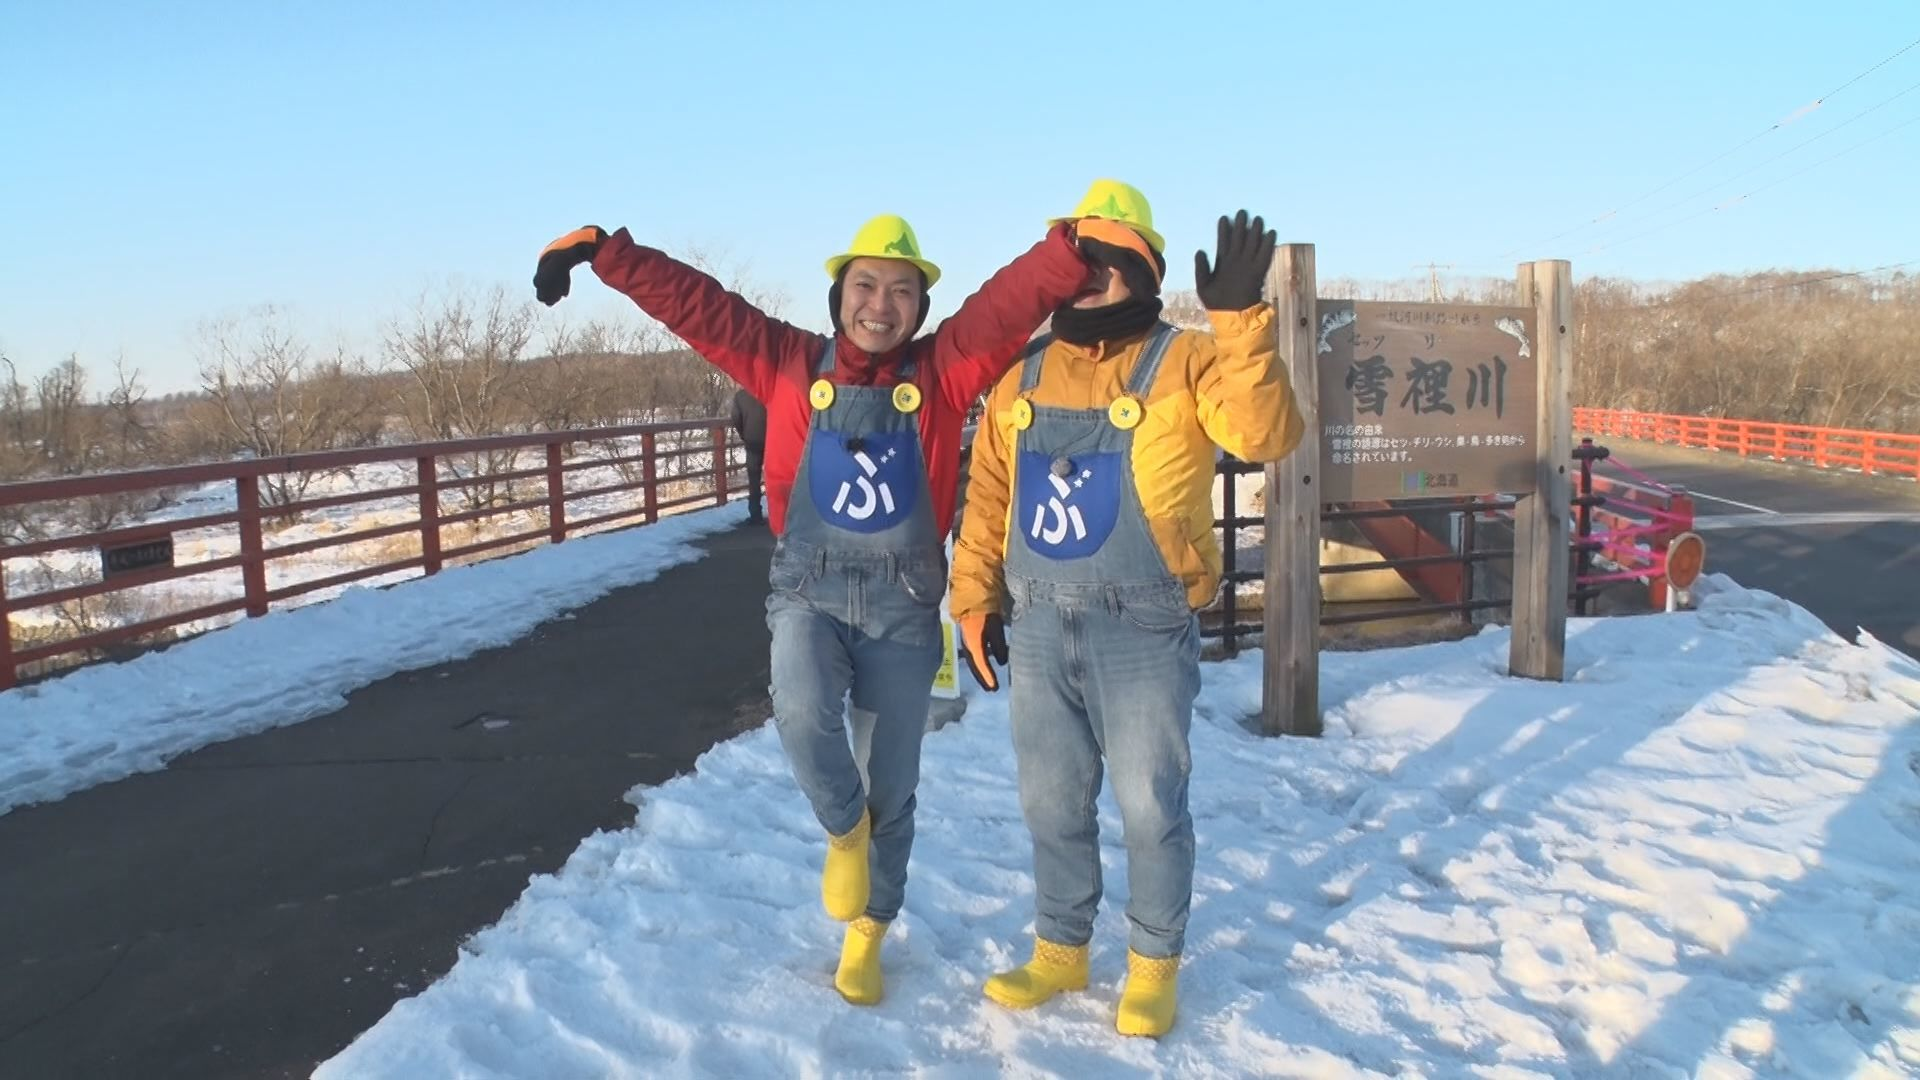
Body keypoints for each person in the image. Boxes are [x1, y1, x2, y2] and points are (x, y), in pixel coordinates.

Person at [533, 212, 1091, 1006]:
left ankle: (868, 933)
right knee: (799, 712)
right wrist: (606, 256)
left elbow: (1008, 306)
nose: (881, 304)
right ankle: (842, 830)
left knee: (892, 781)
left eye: (902, 291)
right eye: (866, 285)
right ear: (840, 296)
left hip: (904, 607)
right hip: (810, 590)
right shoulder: (787, 362)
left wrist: (1068, 251)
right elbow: (699, 305)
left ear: (921, 307)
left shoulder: (944, 373)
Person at [948, 180, 1305, 1037]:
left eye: (1107, 265)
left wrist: (1241, 323)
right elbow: (990, 493)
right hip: (1035, 623)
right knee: (1050, 799)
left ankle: (1152, 963)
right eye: (1077, 263)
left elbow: (1266, 435)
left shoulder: (1186, 362)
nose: (1087, 281)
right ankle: (1062, 949)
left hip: (1142, 625)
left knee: (1149, 802)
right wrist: (973, 597)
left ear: (1144, 271)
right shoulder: (1021, 371)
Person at [729, 385, 768, 523]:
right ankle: (780, 514)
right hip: (772, 440)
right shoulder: (768, 392)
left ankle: (755, 513)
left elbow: (736, 418)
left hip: (752, 440)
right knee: (774, 477)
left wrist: (744, 434)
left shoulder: (741, 396)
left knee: (754, 479)